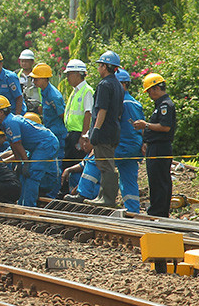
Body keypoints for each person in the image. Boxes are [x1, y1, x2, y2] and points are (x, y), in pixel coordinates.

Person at [0, 95, 60, 207]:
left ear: (1, 112)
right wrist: (18, 162)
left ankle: (29, 206)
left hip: (46, 143)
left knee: (32, 173)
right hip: (37, 146)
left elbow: (18, 143)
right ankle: (22, 203)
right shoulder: (4, 124)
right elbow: (13, 145)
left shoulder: (11, 122)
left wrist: (25, 162)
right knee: (23, 174)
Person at [135, 73, 176, 217]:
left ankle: (159, 211)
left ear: (156, 88)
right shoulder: (160, 105)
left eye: (150, 92)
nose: (150, 95)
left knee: (159, 179)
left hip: (161, 147)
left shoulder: (165, 105)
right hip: (155, 146)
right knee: (155, 179)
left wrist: (145, 125)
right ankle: (158, 210)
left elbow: (165, 127)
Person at [90, 50, 123, 208]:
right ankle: (103, 196)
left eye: (100, 65)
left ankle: (107, 198)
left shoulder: (104, 85)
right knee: (105, 163)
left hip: (104, 131)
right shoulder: (117, 84)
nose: (98, 68)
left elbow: (102, 110)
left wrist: (96, 129)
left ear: (105, 66)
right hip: (114, 130)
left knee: (105, 164)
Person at [61, 59, 93, 194]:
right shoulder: (75, 91)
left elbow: (88, 113)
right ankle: (67, 191)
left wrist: (83, 136)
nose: (67, 77)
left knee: (76, 164)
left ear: (77, 74)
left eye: (69, 74)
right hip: (71, 133)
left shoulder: (87, 91)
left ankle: (77, 192)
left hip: (79, 134)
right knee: (68, 163)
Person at [114, 69, 144, 214]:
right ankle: (132, 211)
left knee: (97, 163)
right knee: (128, 180)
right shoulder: (134, 103)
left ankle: (86, 193)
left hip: (123, 146)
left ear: (123, 84)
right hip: (131, 147)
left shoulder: (124, 103)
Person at [27, 63, 66, 145]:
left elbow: (62, 114)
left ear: (44, 79)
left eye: (36, 79)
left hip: (58, 132)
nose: (34, 82)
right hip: (49, 129)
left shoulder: (54, 96)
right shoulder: (43, 90)